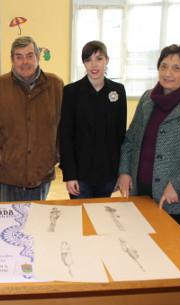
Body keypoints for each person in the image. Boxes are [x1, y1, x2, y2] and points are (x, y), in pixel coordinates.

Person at [118, 44, 180, 227]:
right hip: (139, 190)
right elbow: (130, 139)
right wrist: (124, 172)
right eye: (163, 66)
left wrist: (177, 184)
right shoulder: (147, 99)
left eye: (176, 68)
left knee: (166, 251)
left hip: (171, 196)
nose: (168, 73)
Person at [0, 36, 63, 201]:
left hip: (41, 174)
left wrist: (54, 156)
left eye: (29, 55)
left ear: (38, 57)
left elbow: (64, 127)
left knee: (38, 223)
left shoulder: (55, 85)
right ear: (12, 60)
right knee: (8, 225)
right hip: (8, 175)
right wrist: (0, 158)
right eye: (19, 56)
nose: (25, 61)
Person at [60, 41, 127, 199]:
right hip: (80, 174)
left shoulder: (117, 91)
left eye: (99, 58)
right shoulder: (71, 92)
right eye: (88, 60)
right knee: (81, 218)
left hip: (108, 173)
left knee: (102, 218)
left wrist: (121, 172)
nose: (94, 64)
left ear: (107, 60)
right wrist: (69, 175)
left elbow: (120, 135)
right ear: (83, 63)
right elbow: (65, 136)